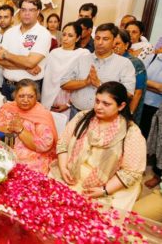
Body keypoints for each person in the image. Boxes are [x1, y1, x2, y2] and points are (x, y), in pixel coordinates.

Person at [51, 81, 146, 211]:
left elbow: (130, 172)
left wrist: (104, 190)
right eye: (97, 101)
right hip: (71, 174)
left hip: (108, 184)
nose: (98, 107)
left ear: (121, 106)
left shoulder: (131, 132)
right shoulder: (83, 117)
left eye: (106, 104)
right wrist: (63, 167)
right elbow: (63, 143)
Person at [61, 23, 136, 119]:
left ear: (114, 41)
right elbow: (64, 83)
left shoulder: (124, 64)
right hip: (77, 113)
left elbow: (128, 94)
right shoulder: (81, 59)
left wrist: (99, 84)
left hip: (105, 118)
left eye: (105, 39)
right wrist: (85, 82)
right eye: (97, 38)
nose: (100, 42)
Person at [0, 79, 57, 174]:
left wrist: (21, 130)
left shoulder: (42, 115)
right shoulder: (7, 108)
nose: (25, 100)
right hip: (5, 154)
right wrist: (9, 128)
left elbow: (45, 145)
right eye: (21, 96)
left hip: (33, 160)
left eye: (30, 96)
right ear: (15, 96)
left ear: (37, 97)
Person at [0, 0, 51, 101]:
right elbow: (0, 60)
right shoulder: (9, 32)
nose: (27, 13)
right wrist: (26, 67)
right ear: (19, 11)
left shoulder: (43, 34)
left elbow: (30, 62)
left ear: (38, 12)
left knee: (27, 118)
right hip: (7, 85)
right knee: (6, 116)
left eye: (31, 10)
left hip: (29, 90)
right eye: (23, 10)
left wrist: (7, 55)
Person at [41, 22, 90, 118]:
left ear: (78, 38)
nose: (65, 38)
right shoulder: (54, 52)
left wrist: (68, 104)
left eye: (70, 35)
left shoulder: (83, 54)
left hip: (68, 100)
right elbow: (47, 78)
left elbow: (83, 83)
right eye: (64, 34)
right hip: (48, 98)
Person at [113, 29, 147, 124]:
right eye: (112, 43)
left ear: (126, 45)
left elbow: (138, 92)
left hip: (125, 110)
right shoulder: (110, 59)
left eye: (117, 44)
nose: (113, 46)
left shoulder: (136, 63)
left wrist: (129, 115)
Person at [140, 52, 162, 188]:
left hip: (158, 107)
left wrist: (147, 84)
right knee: (141, 135)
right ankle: (138, 165)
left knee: (159, 143)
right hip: (143, 103)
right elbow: (140, 78)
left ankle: (157, 174)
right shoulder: (153, 57)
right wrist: (157, 86)